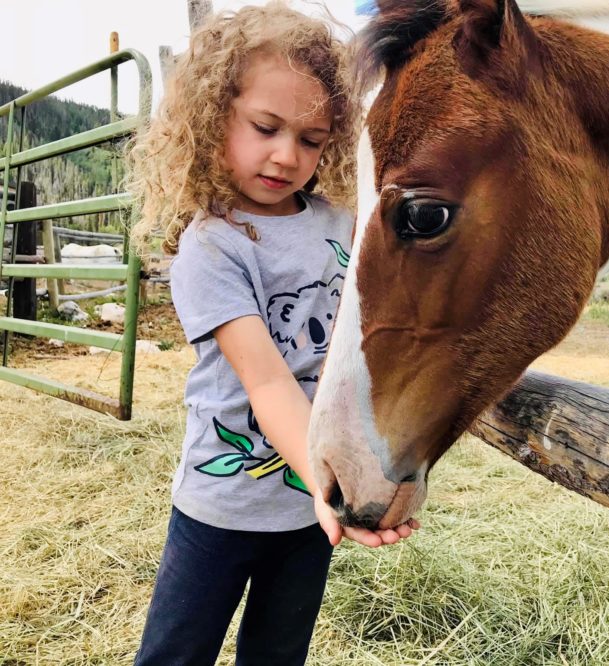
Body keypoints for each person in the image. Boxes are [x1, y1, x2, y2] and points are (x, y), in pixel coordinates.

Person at [126, 3, 417, 664]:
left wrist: (365, 473)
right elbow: (266, 379)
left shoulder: (341, 225)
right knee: (176, 652)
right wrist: (328, 482)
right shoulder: (213, 246)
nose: (287, 156)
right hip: (220, 507)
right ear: (212, 117)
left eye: (312, 139)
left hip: (306, 517)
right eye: (265, 127)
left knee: (279, 655)